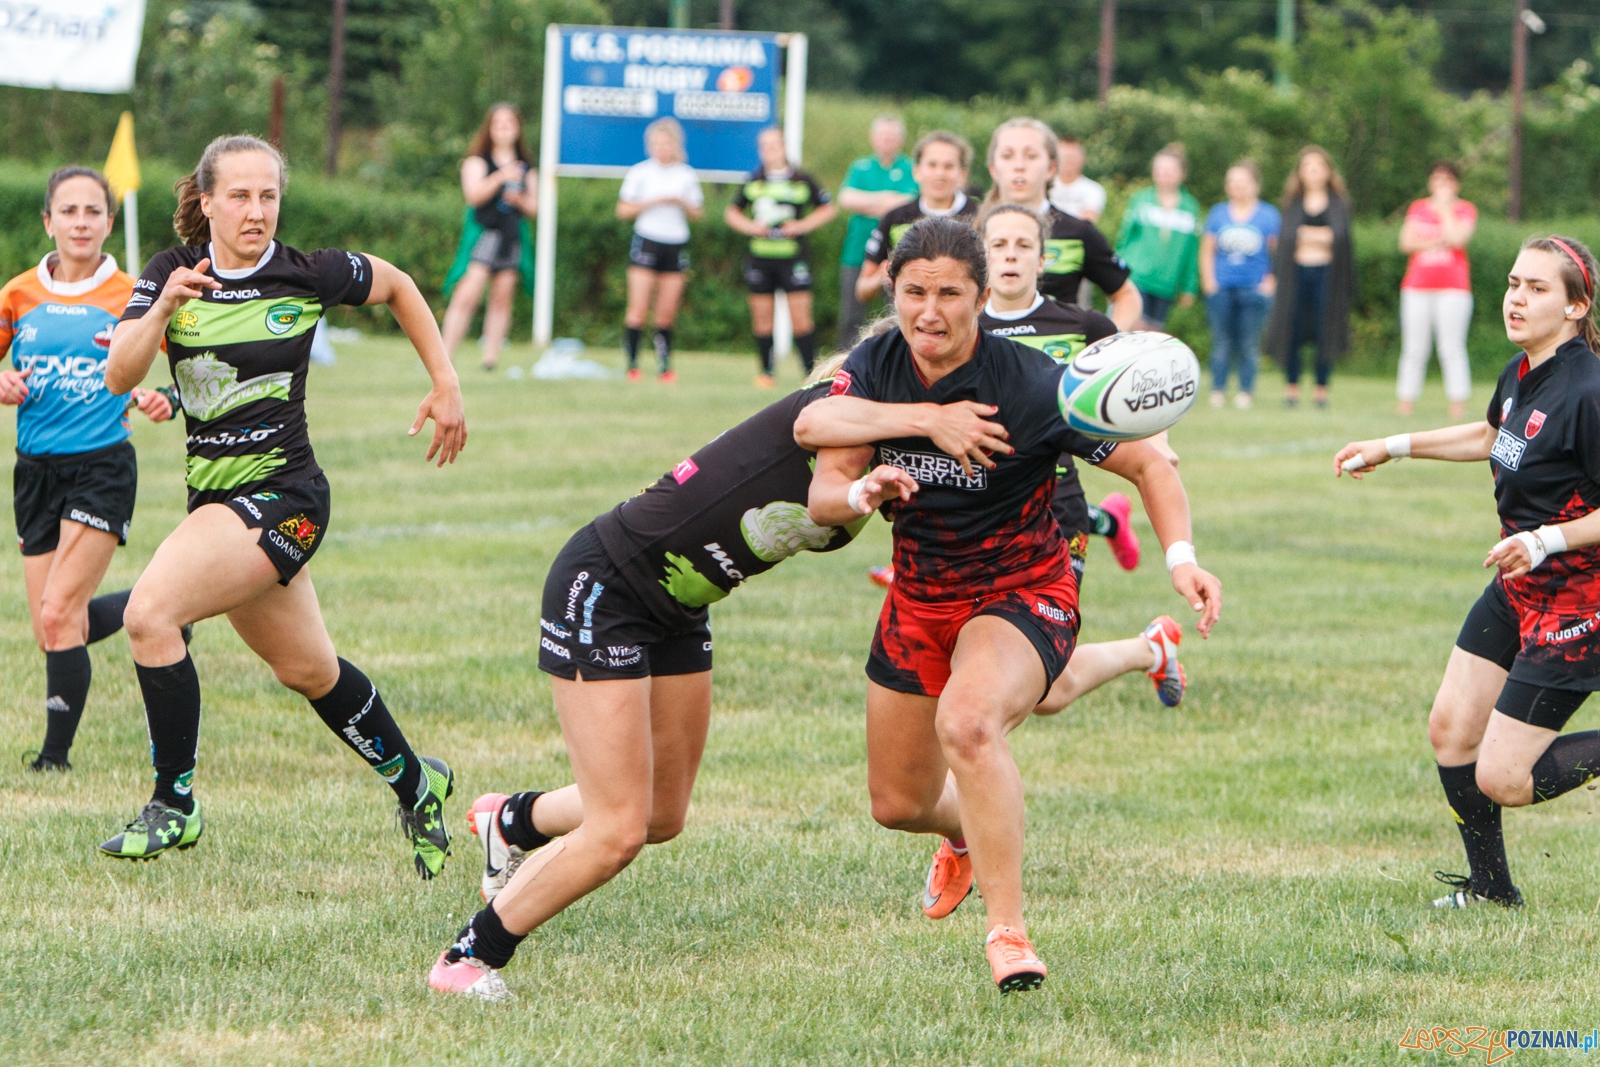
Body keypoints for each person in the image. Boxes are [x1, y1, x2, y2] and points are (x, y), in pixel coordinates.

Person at [426, 354, 1014, 1001]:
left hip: (679, 604)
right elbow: (819, 425)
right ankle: (468, 956)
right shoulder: (840, 407)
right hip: (606, 588)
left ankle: (513, 821)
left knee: (661, 813)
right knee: (617, 830)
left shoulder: (890, 447)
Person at [802, 217, 1222, 993]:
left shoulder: (1031, 384)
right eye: (914, 292)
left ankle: (1009, 934)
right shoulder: (875, 364)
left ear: (982, 293)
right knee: (897, 803)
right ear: (892, 292)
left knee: (968, 723)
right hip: (919, 596)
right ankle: (967, 830)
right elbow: (823, 474)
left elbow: (1150, 465)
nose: (930, 311)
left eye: (950, 293)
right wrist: (861, 489)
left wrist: (1182, 559)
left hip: (1022, 589)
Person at [98, 135, 468, 877]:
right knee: (309, 670)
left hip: (288, 499)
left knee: (148, 614)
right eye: (239, 195)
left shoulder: (307, 273)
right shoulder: (173, 272)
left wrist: (445, 380)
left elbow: (397, 286)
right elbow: (117, 376)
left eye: (268, 195)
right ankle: (416, 781)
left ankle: (175, 802)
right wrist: (161, 310)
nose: (256, 210)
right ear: (206, 202)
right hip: (217, 500)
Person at [1336, 236, 1600, 910]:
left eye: (1537, 288)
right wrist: (1392, 446)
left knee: (1505, 776)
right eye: (1514, 282)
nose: (1516, 297)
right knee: (1451, 729)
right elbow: (1490, 436)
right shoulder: (1522, 371)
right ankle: (1491, 890)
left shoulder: (1589, 391)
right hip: (1520, 583)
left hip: (1577, 603)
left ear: (1576, 305)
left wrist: (1546, 539)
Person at [1, 167, 177, 772]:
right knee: (51, 628)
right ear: (48, 221)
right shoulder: (18, 293)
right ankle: (165, 605)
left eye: (93, 211)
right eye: (68, 211)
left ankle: (54, 760)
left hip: (102, 466)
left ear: (108, 221)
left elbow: (191, 359)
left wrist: (165, 399)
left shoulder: (134, 293)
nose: (81, 222)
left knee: (59, 614)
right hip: (34, 473)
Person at [977, 203, 1184, 706]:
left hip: (1057, 506)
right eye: (998, 245)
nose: (1011, 256)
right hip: (978, 512)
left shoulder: (1083, 326)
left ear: (1043, 259)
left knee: (1045, 689)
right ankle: (1151, 649)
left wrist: (1158, 443)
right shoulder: (962, 326)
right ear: (979, 257)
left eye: (1023, 246)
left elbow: (1130, 399)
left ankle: (1148, 650)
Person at [983, 117, 1141, 330]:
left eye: (1031, 156)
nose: (1019, 166)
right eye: (1007, 156)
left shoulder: (1078, 231)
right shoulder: (970, 232)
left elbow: (1127, 297)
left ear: (1051, 168)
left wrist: (1103, 351)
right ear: (993, 168)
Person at [726, 127, 838, 387]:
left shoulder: (801, 180)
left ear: (784, 147)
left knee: (801, 319)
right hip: (760, 258)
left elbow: (828, 209)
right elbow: (732, 213)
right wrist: (751, 228)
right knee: (762, 318)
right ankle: (766, 372)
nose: (770, 151)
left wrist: (801, 226)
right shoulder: (754, 181)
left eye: (774, 145)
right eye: (764, 146)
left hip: (793, 257)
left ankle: (810, 374)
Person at [440, 103, 537, 372]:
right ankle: (445, 355)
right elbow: (473, 195)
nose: (504, 128)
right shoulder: (477, 161)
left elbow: (534, 207)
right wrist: (500, 178)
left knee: (502, 296)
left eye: (510, 123)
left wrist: (519, 199)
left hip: (511, 235)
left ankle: (490, 358)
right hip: (485, 234)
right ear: (490, 128)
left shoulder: (526, 167)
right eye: (499, 123)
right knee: (467, 294)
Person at [617, 118, 704, 383]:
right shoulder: (640, 173)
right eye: (657, 143)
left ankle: (664, 365)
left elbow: (698, 213)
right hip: (647, 240)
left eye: (667, 143)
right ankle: (632, 364)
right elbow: (622, 210)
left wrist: (681, 202)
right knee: (638, 307)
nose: (662, 148)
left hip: (675, 243)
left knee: (666, 312)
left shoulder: (686, 175)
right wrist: (651, 202)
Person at [1267, 146, 1355, 409]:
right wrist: (1320, 237)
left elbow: (1339, 239)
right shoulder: (1292, 203)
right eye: (1307, 166)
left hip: (1327, 277)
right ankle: (1291, 389)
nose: (1313, 171)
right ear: (1300, 172)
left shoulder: (1338, 203)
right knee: (1291, 330)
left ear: (1328, 171)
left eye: (1318, 166)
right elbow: (1286, 240)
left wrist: (1309, 236)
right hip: (1295, 277)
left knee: (1324, 332)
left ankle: (1321, 390)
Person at [855, 131, 977, 306]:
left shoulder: (981, 217)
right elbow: (862, 290)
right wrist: (882, 276)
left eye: (948, 166)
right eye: (932, 165)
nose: (940, 174)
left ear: (962, 174)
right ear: (917, 171)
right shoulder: (896, 218)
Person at [1397, 161, 1478, 420]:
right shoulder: (1417, 208)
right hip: (1417, 286)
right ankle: (1406, 402)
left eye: (1447, 181)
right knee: (1413, 347)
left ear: (1456, 184)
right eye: (1437, 180)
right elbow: (1406, 242)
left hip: (1453, 288)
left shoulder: (1464, 210)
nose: (1442, 185)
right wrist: (1437, 239)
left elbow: (1458, 239)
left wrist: (1444, 211)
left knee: (1451, 347)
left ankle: (1457, 403)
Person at [1200, 159, 1280, 409]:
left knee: (1249, 343)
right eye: (1232, 181)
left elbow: (1277, 253)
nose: (1237, 187)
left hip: (1253, 288)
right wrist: (1209, 281)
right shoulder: (1218, 213)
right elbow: (1207, 250)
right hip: (1222, 287)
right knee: (1221, 341)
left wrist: (1270, 282)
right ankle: (1218, 390)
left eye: (1243, 182)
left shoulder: (1268, 215)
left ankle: (1246, 391)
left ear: (1255, 185)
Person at [836, 116, 918, 349]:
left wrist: (868, 202)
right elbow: (846, 198)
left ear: (901, 140)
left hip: (899, 255)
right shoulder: (860, 167)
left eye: (892, 137)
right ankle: (844, 366)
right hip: (857, 252)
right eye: (883, 136)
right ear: (873, 138)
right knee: (851, 315)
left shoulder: (911, 168)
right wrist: (887, 200)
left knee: (897, 312)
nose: (887, 141)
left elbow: (912, 201)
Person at [1116, 143, 1202, 331]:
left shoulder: (1190, 208)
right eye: (1160, 169)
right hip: (1136, 277)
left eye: (1170, 170)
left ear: (1182, 174)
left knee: (1154, 335)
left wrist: (1189, 287)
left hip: (1166, 284)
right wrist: (1115, 273)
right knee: (1134, 329)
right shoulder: (1140, 200)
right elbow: (1124, 239)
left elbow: (1192, 251)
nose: (1164, 174)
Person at [1047, 135, 1105, 225]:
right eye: (1065, 157)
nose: (1068, 161)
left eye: (1073, 157)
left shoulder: (1093, 189)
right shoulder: (1043, 186)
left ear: (1083, 158)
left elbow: (1087, 222)